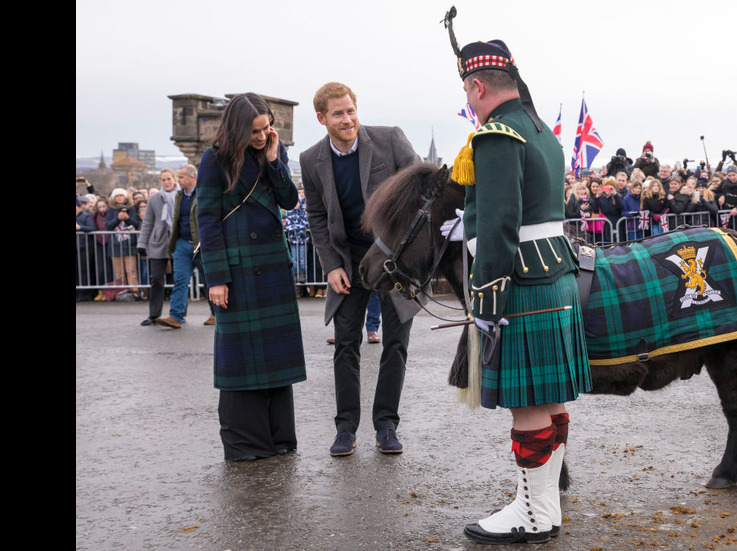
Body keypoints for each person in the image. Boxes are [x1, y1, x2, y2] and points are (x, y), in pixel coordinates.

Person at [441, 29, 592, 544]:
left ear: (479, 86)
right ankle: (544, 508)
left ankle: (531, 513)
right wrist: (472, 217)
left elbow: (504, 223)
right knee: (549, 401)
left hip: (521, 283)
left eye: (467, 92)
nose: (468, 101)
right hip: (553, 275)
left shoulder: (497, 135)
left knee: (528, 404)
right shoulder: (540, 130)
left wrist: (485, 297)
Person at [299, 82, 421, 457]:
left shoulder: (389, 140)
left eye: (350, 110)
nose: (348, 119)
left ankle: (386, 425)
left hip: (394, 259)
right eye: (338, 113)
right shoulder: (309, 160)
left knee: (395, 344)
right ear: (322, 118)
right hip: (349, 262)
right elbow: (317, 218)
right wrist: (332, 266)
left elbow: (422, 192)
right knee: (345, 345)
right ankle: (345, 428)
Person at [196, 92, 307, 461]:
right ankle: (246, 443)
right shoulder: (214, 160)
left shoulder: (272, 149)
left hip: (273, 265)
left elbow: (290, 200)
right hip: (238, 270)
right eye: (255, 131)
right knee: (241, 360)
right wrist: (216, 278)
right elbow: (208, 221)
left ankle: (279, 439)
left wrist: (275, 160)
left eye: (266, 128)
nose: (262, 136)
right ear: (238, 128)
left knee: (275, 360)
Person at [156, 165, 215, 328]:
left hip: (201, 244)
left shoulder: (204, 193)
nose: (178, 180)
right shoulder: (180, 195)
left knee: (209, 281)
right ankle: (176, 316)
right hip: (182, 243)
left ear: (191, 177)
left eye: (181, 177)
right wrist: (173, 244)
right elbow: (176, 220)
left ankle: (216, 314)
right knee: (180, 279)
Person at [137, 169, 178, 326]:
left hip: (177, 241)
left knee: (178, 279)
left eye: (168, 179)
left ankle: (178, 313)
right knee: (156, 279)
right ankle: (154, 314)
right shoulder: (154, 199)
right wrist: (142, 243)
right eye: (163, 179)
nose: (166, 182)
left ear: (174, 180)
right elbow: (147, 222)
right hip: (158, 242)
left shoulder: (182, 196)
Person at [105, 188, 142, 299]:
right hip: (115, 245)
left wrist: (127, 218)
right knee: (118, 272)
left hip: (129, 244)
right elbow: (108, 225)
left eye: (121, 196)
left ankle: (135, 292)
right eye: (117, 196)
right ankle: (121, 292)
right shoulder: (111, 210)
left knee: (131, 271)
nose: (120, 198)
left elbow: (135, 223)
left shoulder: (131, 209)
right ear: (114, 198)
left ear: (125, 197)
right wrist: (118, 218)